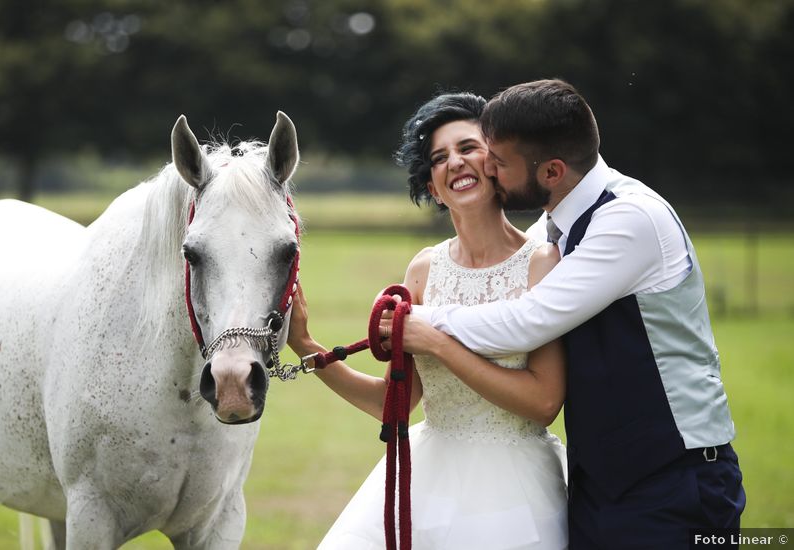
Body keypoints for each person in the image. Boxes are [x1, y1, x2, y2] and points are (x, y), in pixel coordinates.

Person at [389, 79, 745, 549]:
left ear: (552, 171)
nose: (488, 170)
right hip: (599, 480)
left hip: (676, 476)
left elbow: (526, 321)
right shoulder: (555, 225)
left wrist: (425, 323)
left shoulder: (628, 219)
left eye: (499, 162)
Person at [288, 92, 569, 549]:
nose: (454, 162)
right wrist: (306, 346)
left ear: (497, 164)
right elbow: (392, 404)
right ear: (434, 188)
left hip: (513, 488)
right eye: (439, 158)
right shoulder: (424, 270)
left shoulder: (541, 264)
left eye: (468, 148)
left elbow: (543, 403)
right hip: (427, 473)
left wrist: (438, 343)